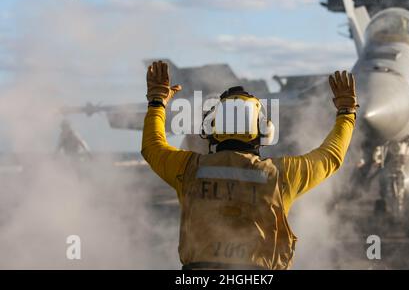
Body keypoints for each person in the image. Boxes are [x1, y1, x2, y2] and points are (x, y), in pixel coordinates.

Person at [141, 60, 357, 270]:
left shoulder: (187, 169)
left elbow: (153, 147)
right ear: (264, 130)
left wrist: (157, 102)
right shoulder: (280, 175)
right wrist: (346, 113)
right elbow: (331, 156)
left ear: (211, 129)